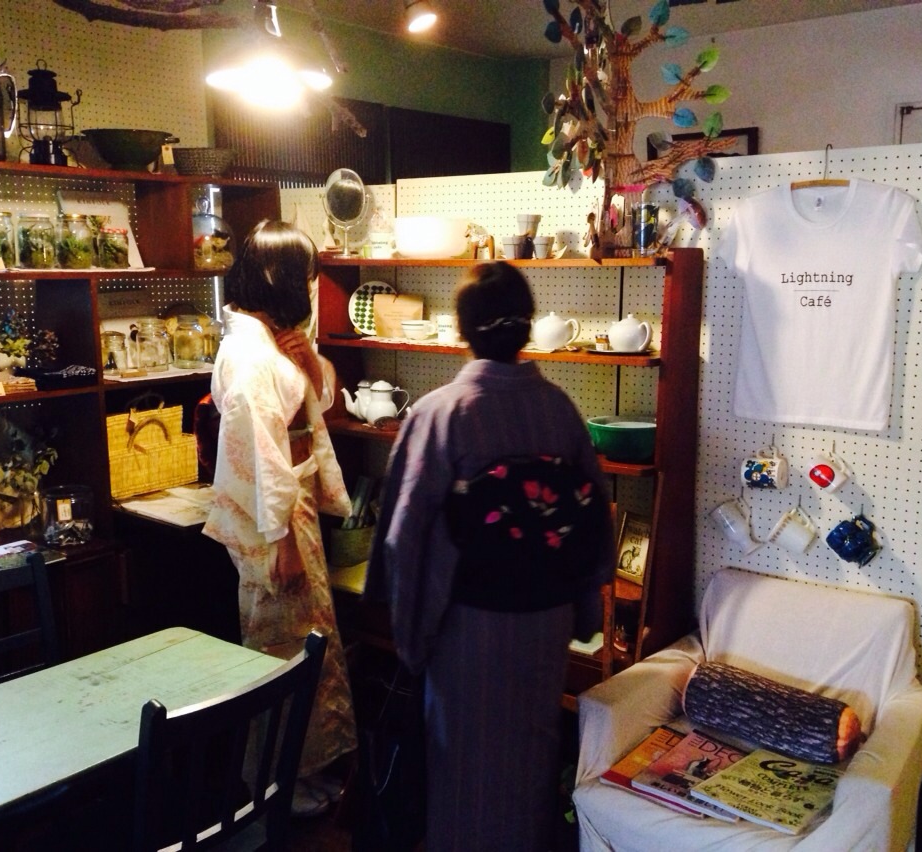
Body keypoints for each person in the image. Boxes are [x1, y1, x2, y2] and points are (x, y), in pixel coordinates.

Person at [367, 261, 615, 851]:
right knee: (528, 759)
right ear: (526, 326)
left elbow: (404, 537)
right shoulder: (558, 409)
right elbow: (591, 518)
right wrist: (583, 614)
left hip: (468, 626)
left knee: (464, 770)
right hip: (546, 623)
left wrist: (410, 636)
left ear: (463, 329)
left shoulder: (441, 413)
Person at [203, 220, 356, 816]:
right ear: (284, 280)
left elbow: (311, 407)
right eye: (308, 278)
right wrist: (282, 541)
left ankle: (298, 773)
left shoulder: (269, 340)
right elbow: (265, 454)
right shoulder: (249, 355)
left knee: (306, 644)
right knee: (279, 650)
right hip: (275, 525)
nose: (312, 289)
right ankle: (275, 784)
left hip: (289, 512)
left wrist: (312, 365)